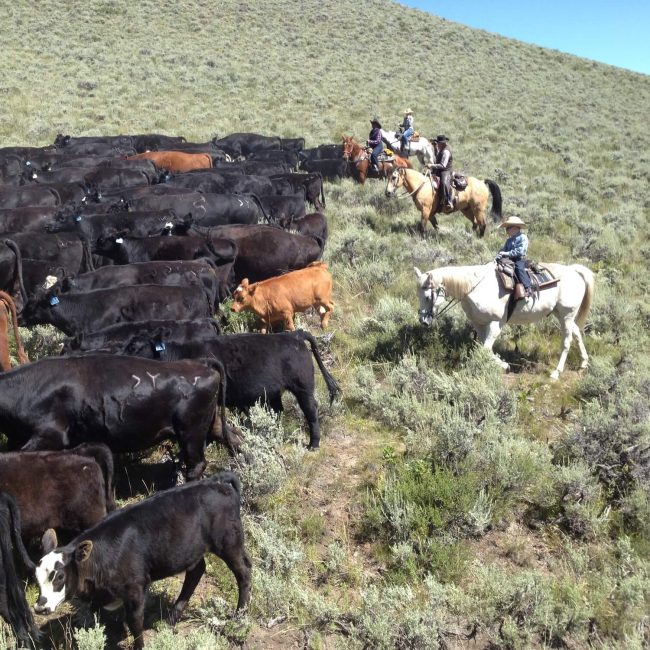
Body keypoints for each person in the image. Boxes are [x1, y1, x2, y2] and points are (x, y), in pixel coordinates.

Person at [497, 216, 533, 297]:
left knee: (518, 268)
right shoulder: (509, 240)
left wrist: (506, 254)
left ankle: (528, 288)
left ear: (515, 228)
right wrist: (498, 257)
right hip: (509, 259)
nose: (506, 230)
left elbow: (520, 251)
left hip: (519, 259)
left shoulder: (522, 237)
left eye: (508, 228)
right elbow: (503, 250)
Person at [427, 135, 453, 210]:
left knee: (444, 182)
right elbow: (437, 156)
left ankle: (448, 200)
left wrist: (431, 165)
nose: (437, 144)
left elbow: (443, 165)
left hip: (446, 171)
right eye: (436, 143)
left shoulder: (446, 151)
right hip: (439, 170)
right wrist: (435, 147)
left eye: (438, 143)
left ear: (442, 144)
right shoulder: (441, 149)